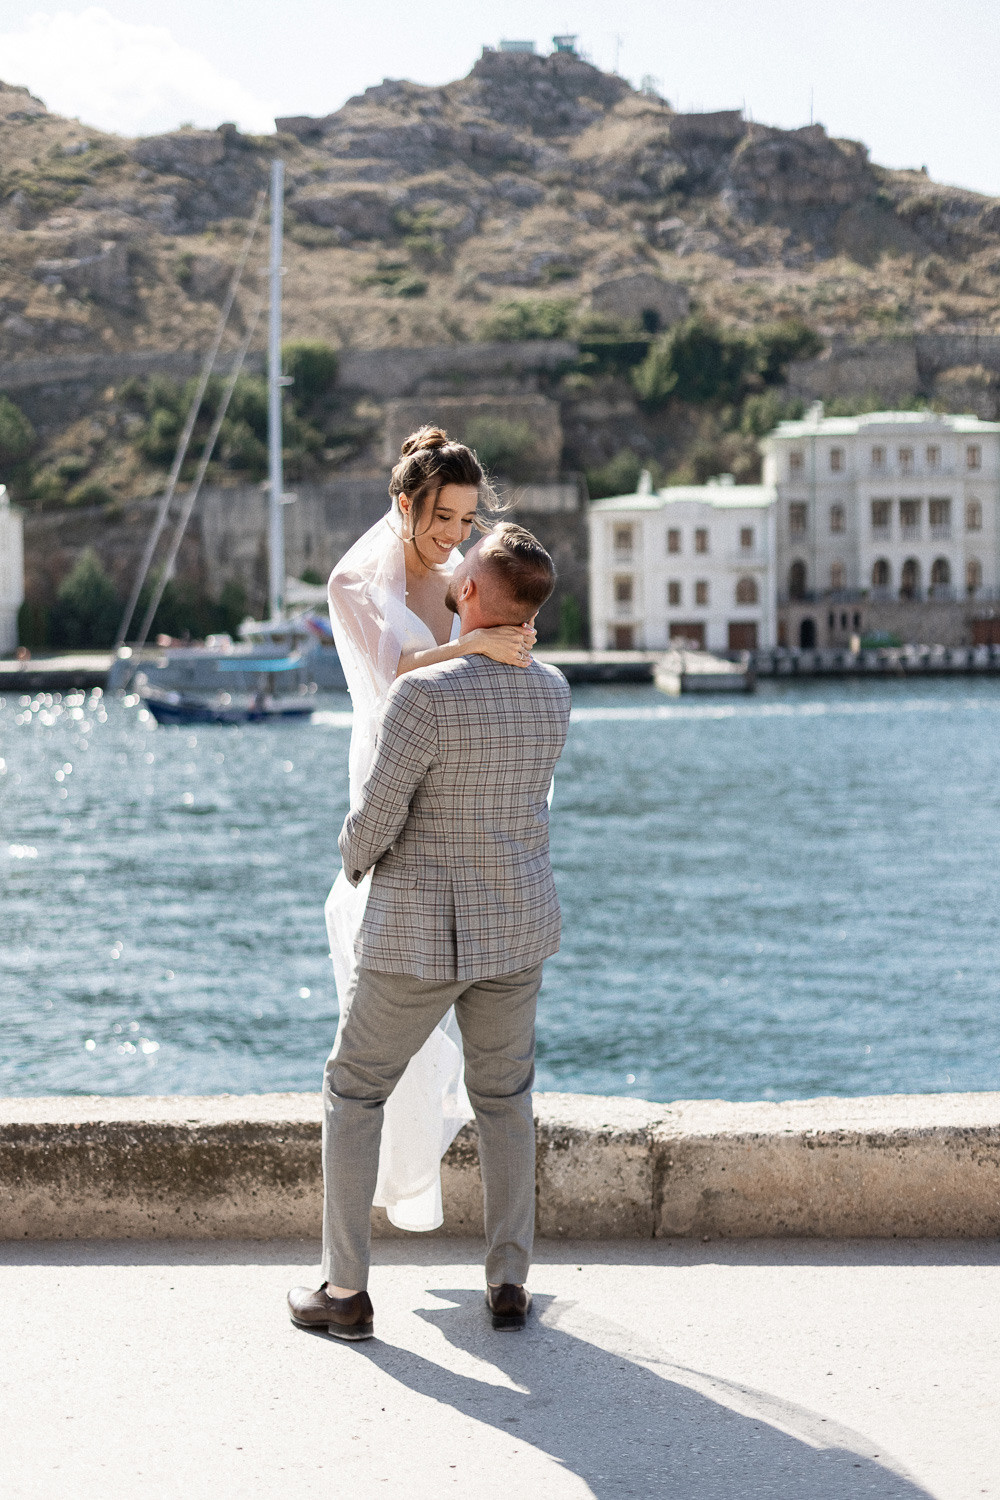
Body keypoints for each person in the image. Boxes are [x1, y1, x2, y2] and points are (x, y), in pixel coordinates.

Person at [289, 523, 571, 1339]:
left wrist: (349, 862)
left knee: (353, 1088)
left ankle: (344, 1293)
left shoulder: (422, 697)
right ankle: (509, 1281)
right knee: (505, 1100)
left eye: (469, 565)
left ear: (476, 595)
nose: (457, 563)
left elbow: (377, 819)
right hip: (517, 927)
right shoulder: (553, 690)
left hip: (419, 935)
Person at [323, 427, 536, 1234]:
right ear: (402, 503)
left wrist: (507, 645)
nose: (454, 537)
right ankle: (390, 1182)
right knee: (381, 982)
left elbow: (477, 665)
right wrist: (478, 642)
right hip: (384, 772)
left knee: (454, 986)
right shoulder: (352, 580)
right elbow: (389, 682)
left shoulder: (460, 579)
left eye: (466, 521)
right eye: (441, 517)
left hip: (458, 786)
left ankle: (406, 1182)